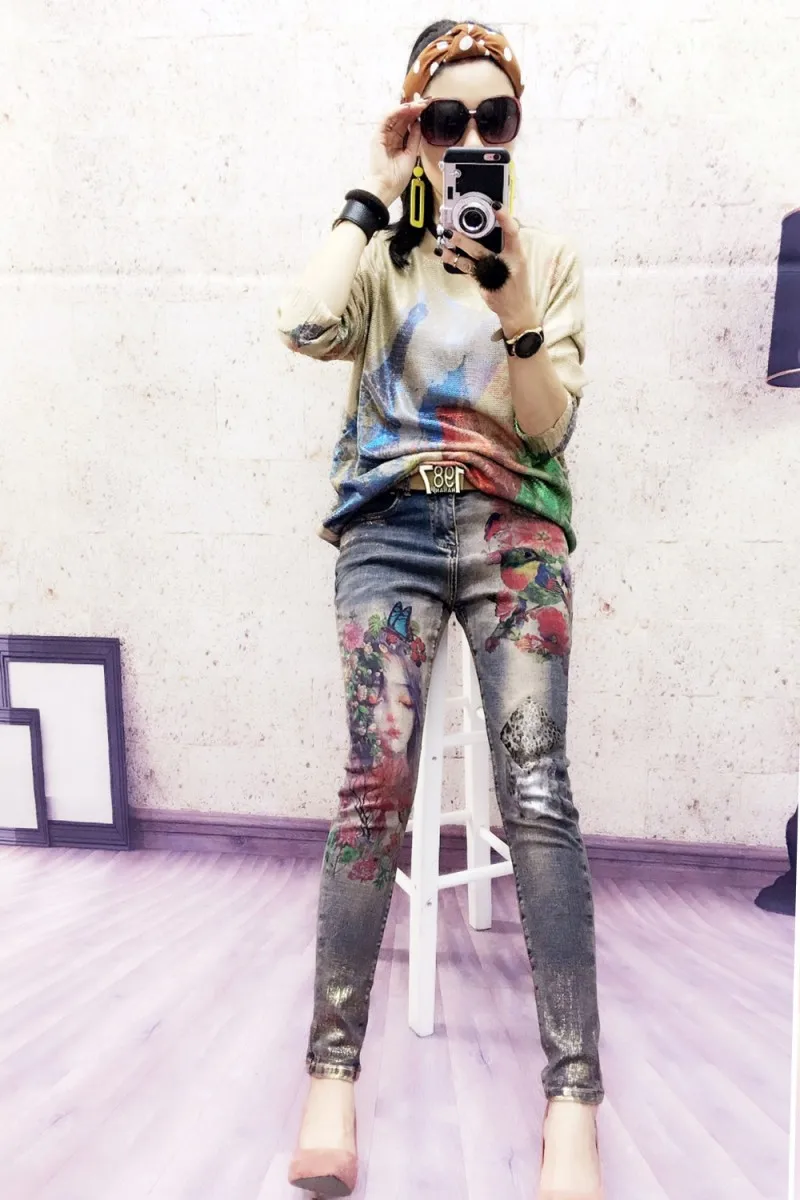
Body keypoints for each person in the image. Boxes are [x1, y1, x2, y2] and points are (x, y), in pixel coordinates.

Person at [276, 18, 605, 1199]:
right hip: (390, 531)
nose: (470, 137)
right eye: (444, 118)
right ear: (417, 130)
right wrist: (370, 190)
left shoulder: (544, 257)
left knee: (538, 795)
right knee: (373, 783)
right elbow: (304, 324)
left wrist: (513, 304)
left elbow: (547, 428)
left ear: (514, 128)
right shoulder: (381, 253)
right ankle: (330, 1077)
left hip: (515, 531)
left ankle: (572, 1101)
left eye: (491, 117)